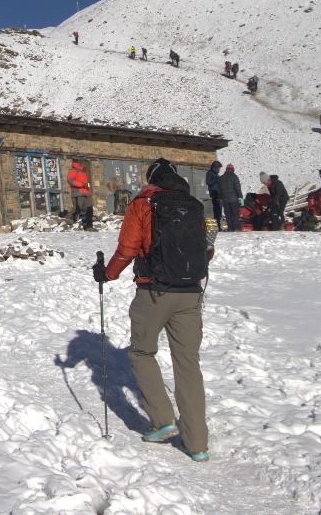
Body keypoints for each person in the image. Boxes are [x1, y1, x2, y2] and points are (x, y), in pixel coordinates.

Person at [93, 157, 213, 461]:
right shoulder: (193, 204)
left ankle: (163, 420)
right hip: (191, 292)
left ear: (151, 179)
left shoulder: (144, 202)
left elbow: (128, 248)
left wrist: (107, 274)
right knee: (188, 363)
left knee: (142, 352)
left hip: (154, 290)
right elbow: (207, 249)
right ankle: (197, 443)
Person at [66, 159, 93, 229]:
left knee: (90, 209)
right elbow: (69, 180)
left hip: (85, 194)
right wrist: (81, 184)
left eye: (86, 165)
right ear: (81, 163)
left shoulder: (82, 172)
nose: (85, 166)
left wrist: (88, 191)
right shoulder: (74, 170)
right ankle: (66, 221)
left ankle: (89, 225)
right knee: (76, 209)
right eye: (85, 164)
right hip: (78, 193)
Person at [218, 164, 243, 232]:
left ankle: (230, 228)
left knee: (228, 214)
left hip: (225, 200)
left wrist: (221, 198)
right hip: (234, 199)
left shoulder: (221, 178)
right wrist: (241, 197)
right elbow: (238, 188)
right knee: (235, 214)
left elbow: (219, 190)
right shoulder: (234, 177)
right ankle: (236, 228)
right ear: (232, 170)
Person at [204, 160, 224, 230]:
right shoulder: (210, 173)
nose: (219, 170)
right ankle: (218, 225)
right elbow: (208, 182)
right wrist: (217, 180)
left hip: (218, 194)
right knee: (217, 210)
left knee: (219, 210)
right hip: (214, 194)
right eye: (218, 168)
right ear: (215, 168)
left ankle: (219, 225)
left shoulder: (215, 174)